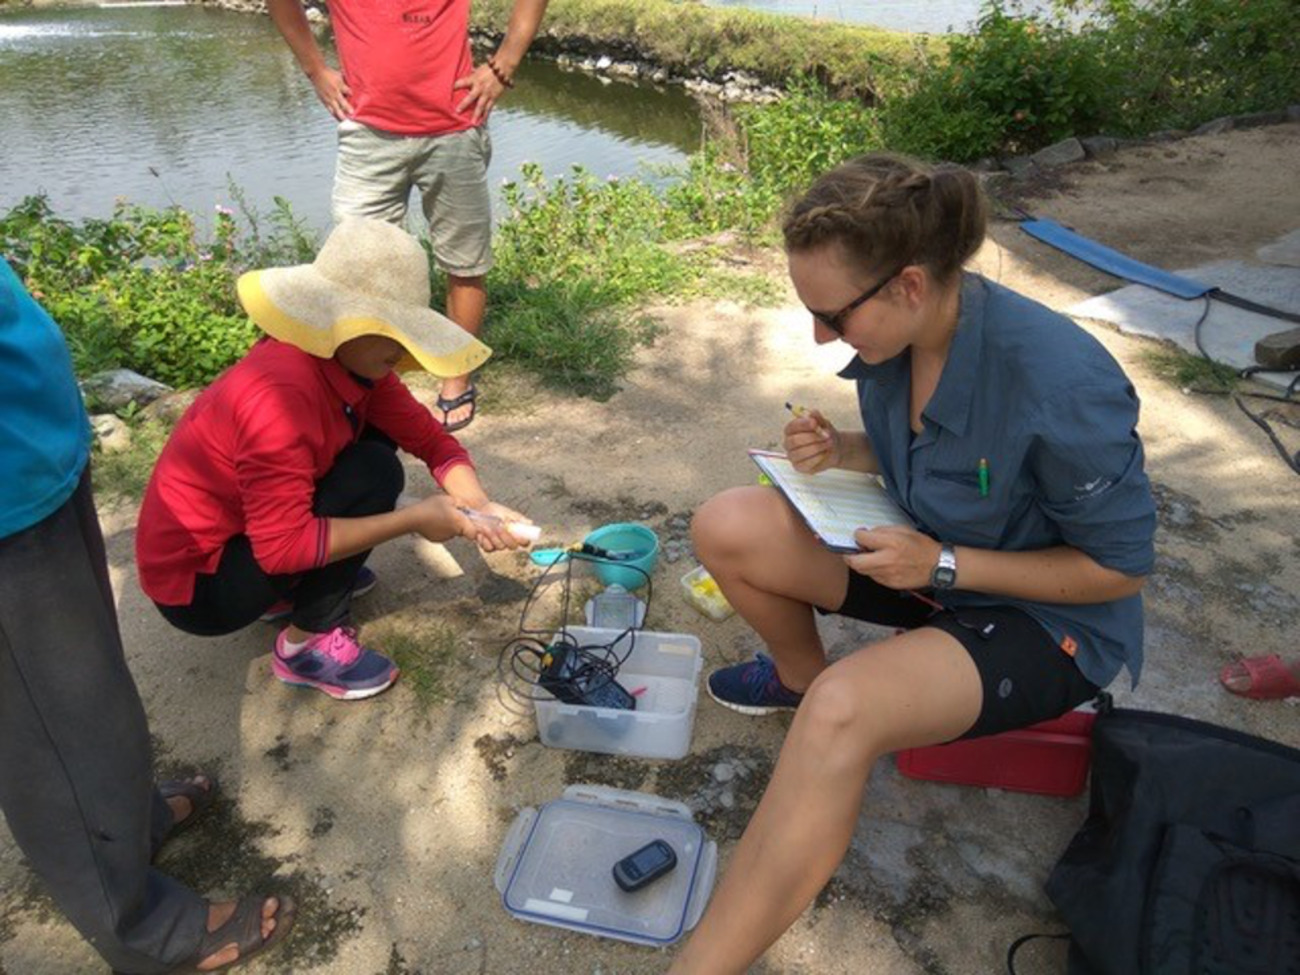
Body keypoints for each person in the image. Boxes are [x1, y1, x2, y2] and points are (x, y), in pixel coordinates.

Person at [669, 153, 1157, 973]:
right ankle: (792, 677)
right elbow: (942, 461)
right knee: (726, 525)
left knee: (844, 707)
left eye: (832, 315)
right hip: (926, 562)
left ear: (909, 285)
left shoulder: (1063, 381)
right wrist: (845, 449)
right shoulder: (899, 336)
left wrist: (945, 566)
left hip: (1045, 618)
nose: (821, 336)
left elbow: (1117, 570)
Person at [0, 258, 295, 972]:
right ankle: (142, 931)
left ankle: (125, 820)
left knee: (93, 686)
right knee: (49, 723)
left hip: (32, 446)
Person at [136, 217, 530, 701]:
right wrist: (414, 519)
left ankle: (298, 587)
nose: (403, 349)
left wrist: (477, 505)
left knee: (376, 444)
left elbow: (435, 442)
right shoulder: (280, 396)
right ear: (346, 323)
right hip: (202, 588)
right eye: (392, 331)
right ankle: (306, 646)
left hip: (246, 537)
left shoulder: (353, 364)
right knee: (374, 471)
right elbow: (281, 549)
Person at [267, 0, 550, 432]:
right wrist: (316, 70)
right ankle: (368, 384)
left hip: (455, 127)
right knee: (355, 268)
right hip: (366, 134)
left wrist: (504, 62)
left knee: (465, 262)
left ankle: (456, 375)